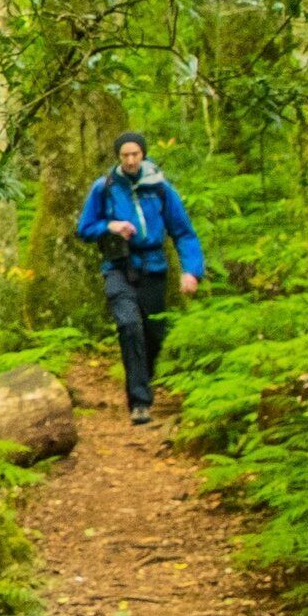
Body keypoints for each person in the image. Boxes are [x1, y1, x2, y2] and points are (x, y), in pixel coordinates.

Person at [74, 132, 203, 424]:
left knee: (153, 334)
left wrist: (191, 271)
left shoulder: (160, 188)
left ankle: (144, 378)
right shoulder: (104, 188)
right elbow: (84, 228)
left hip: (153, 267)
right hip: (118, 266)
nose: (130, 160)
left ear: (143, 154)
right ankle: (140, 402)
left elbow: (183, 232)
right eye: (125, 155)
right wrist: (110, 226)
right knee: (129, 325)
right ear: (118, 157)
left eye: (135, 154)